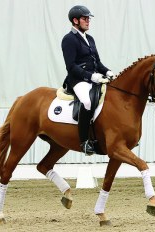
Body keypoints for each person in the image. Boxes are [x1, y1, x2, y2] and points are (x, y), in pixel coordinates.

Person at [61, 5, 114, 155]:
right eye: (85, 18)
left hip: (94, 78)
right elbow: (71, 66)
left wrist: (107, 71)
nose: (88, 21)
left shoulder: (90, 38)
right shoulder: (69, 39)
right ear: (75, 20)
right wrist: (91, 76)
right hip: (77, 80)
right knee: (87, 101)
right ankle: (84, 141)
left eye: (88, 18)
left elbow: (97, 62)